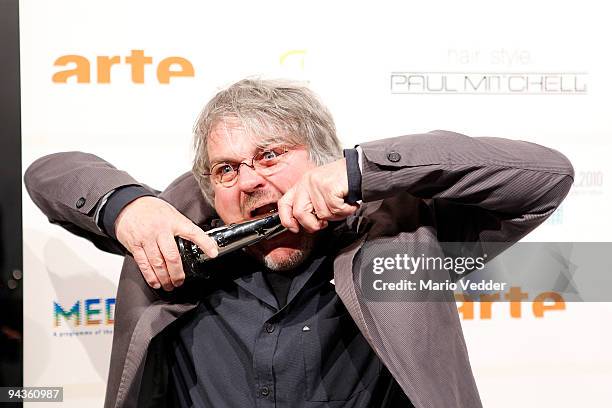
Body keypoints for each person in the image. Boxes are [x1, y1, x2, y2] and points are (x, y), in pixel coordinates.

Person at [25, 79, 574, 408]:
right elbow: (48, 172)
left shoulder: (404, 240)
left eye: (270, 156)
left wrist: (361, 172)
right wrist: (128, 206)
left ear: (320, 159)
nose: (249, 181)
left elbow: (546, 176)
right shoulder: (173, 245)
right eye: (226, 169)